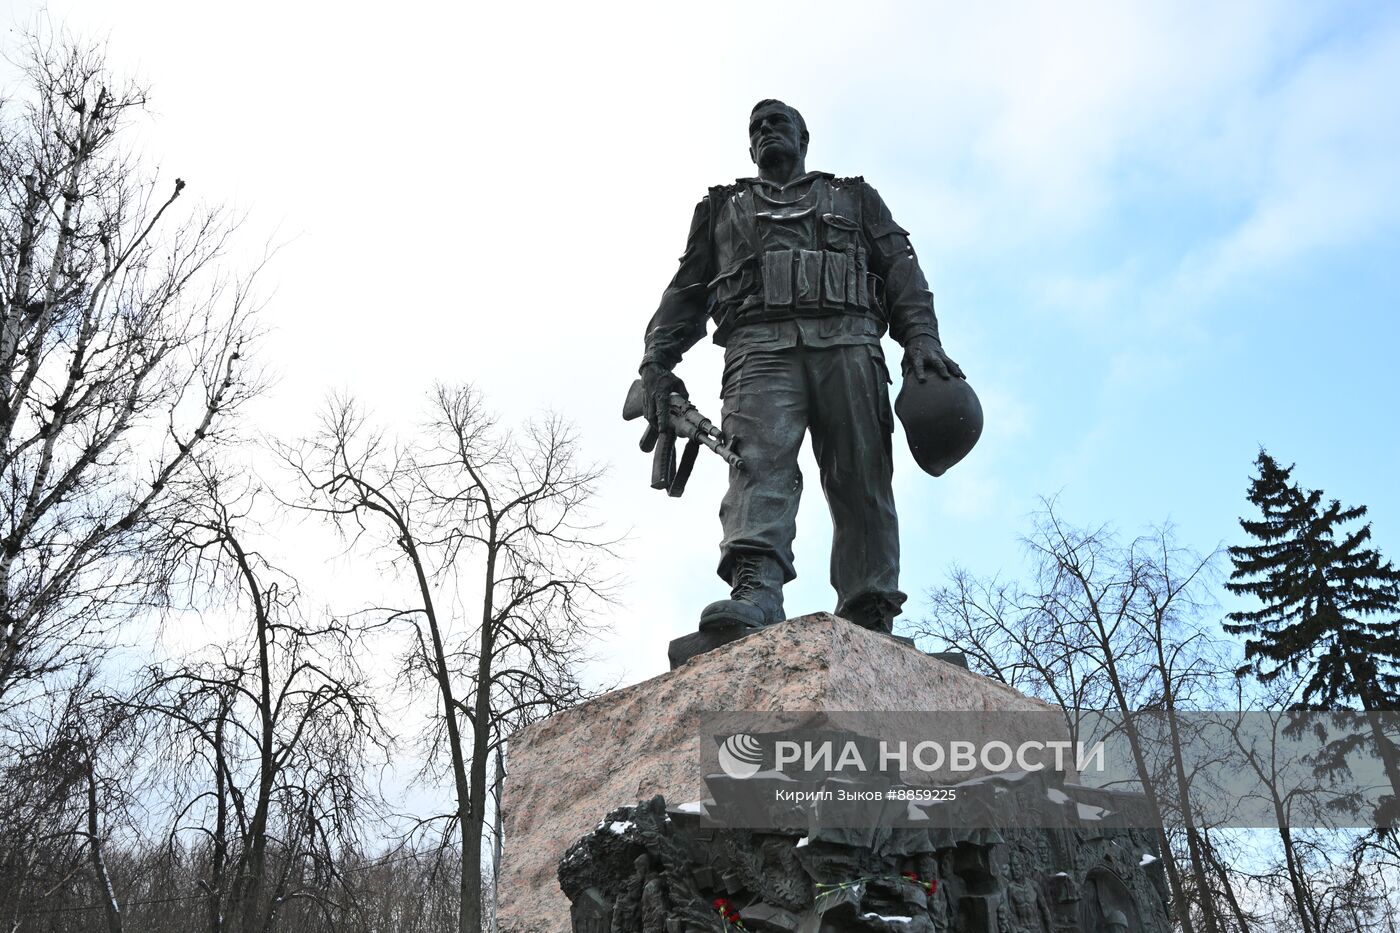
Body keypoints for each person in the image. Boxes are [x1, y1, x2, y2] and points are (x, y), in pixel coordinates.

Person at [639, 99, 962, 635]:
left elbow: (902, 270)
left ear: (803, 136)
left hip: (850, 343)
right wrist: (656, 360)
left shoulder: (854, 197)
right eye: (756, 128)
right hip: (759, 348)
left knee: (861, 472)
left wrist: (921, 338)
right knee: (756, 465)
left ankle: (869, 603)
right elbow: (686, 293)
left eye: (777, 123)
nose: (766, 132)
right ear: (748, 146)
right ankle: (757, 590)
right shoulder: (723, 209)